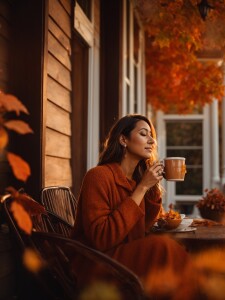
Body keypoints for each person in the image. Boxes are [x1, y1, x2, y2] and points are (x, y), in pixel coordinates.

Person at [71, 114, 189, 293]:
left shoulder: (135, 181)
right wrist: (142, 188)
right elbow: (101, 239)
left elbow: (143, 228)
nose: (151, 141)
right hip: (95, 262)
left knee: (173, 256)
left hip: (123, 257)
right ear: (123, 139)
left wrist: (152, 187)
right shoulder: (98, 176)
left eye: (152, 136)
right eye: (143, 134)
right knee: (162, 248)